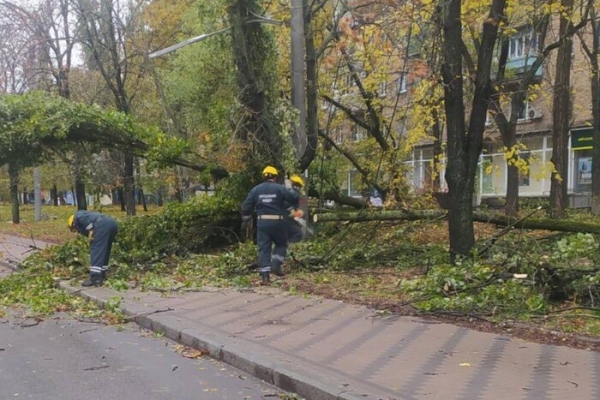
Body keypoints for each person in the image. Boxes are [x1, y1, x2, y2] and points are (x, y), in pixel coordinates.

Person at [242, 166, 299, 285]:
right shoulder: (280, 188)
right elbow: (293, 198)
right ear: (275, 177)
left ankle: (265, 277)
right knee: (281, 243)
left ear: (264, 176)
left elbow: (247, 205)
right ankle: (276, 264)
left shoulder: (256, 189)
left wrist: (246, 217)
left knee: (264, 248)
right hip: (277, 222)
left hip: (262, 223)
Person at [68, 210, 119, 287]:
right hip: (112, 224)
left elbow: (89, 226)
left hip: (101, 225)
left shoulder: (77, 216)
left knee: (96, 249)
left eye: (74, 229)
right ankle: (102, 273)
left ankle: (95, 278)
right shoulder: (87, 219)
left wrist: (91, 236)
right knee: (105, 249)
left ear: (72, 224)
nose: (76, 232)